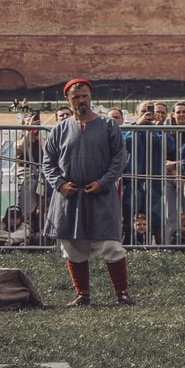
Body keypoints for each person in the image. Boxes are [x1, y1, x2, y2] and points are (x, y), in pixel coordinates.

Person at [42, 78, 133, 304]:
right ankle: (82, 294)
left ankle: (122, 293)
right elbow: (48, 163)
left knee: (110, 245)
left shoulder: (108, 125)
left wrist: (104, 182)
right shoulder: (59, 130)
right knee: (73, 246)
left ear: (91, 97)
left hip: (100, 196)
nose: (81, 100)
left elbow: (118, 159)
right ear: (68, 100)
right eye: (76, 97)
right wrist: (60, 184)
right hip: (69, 198)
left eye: (85, 96)